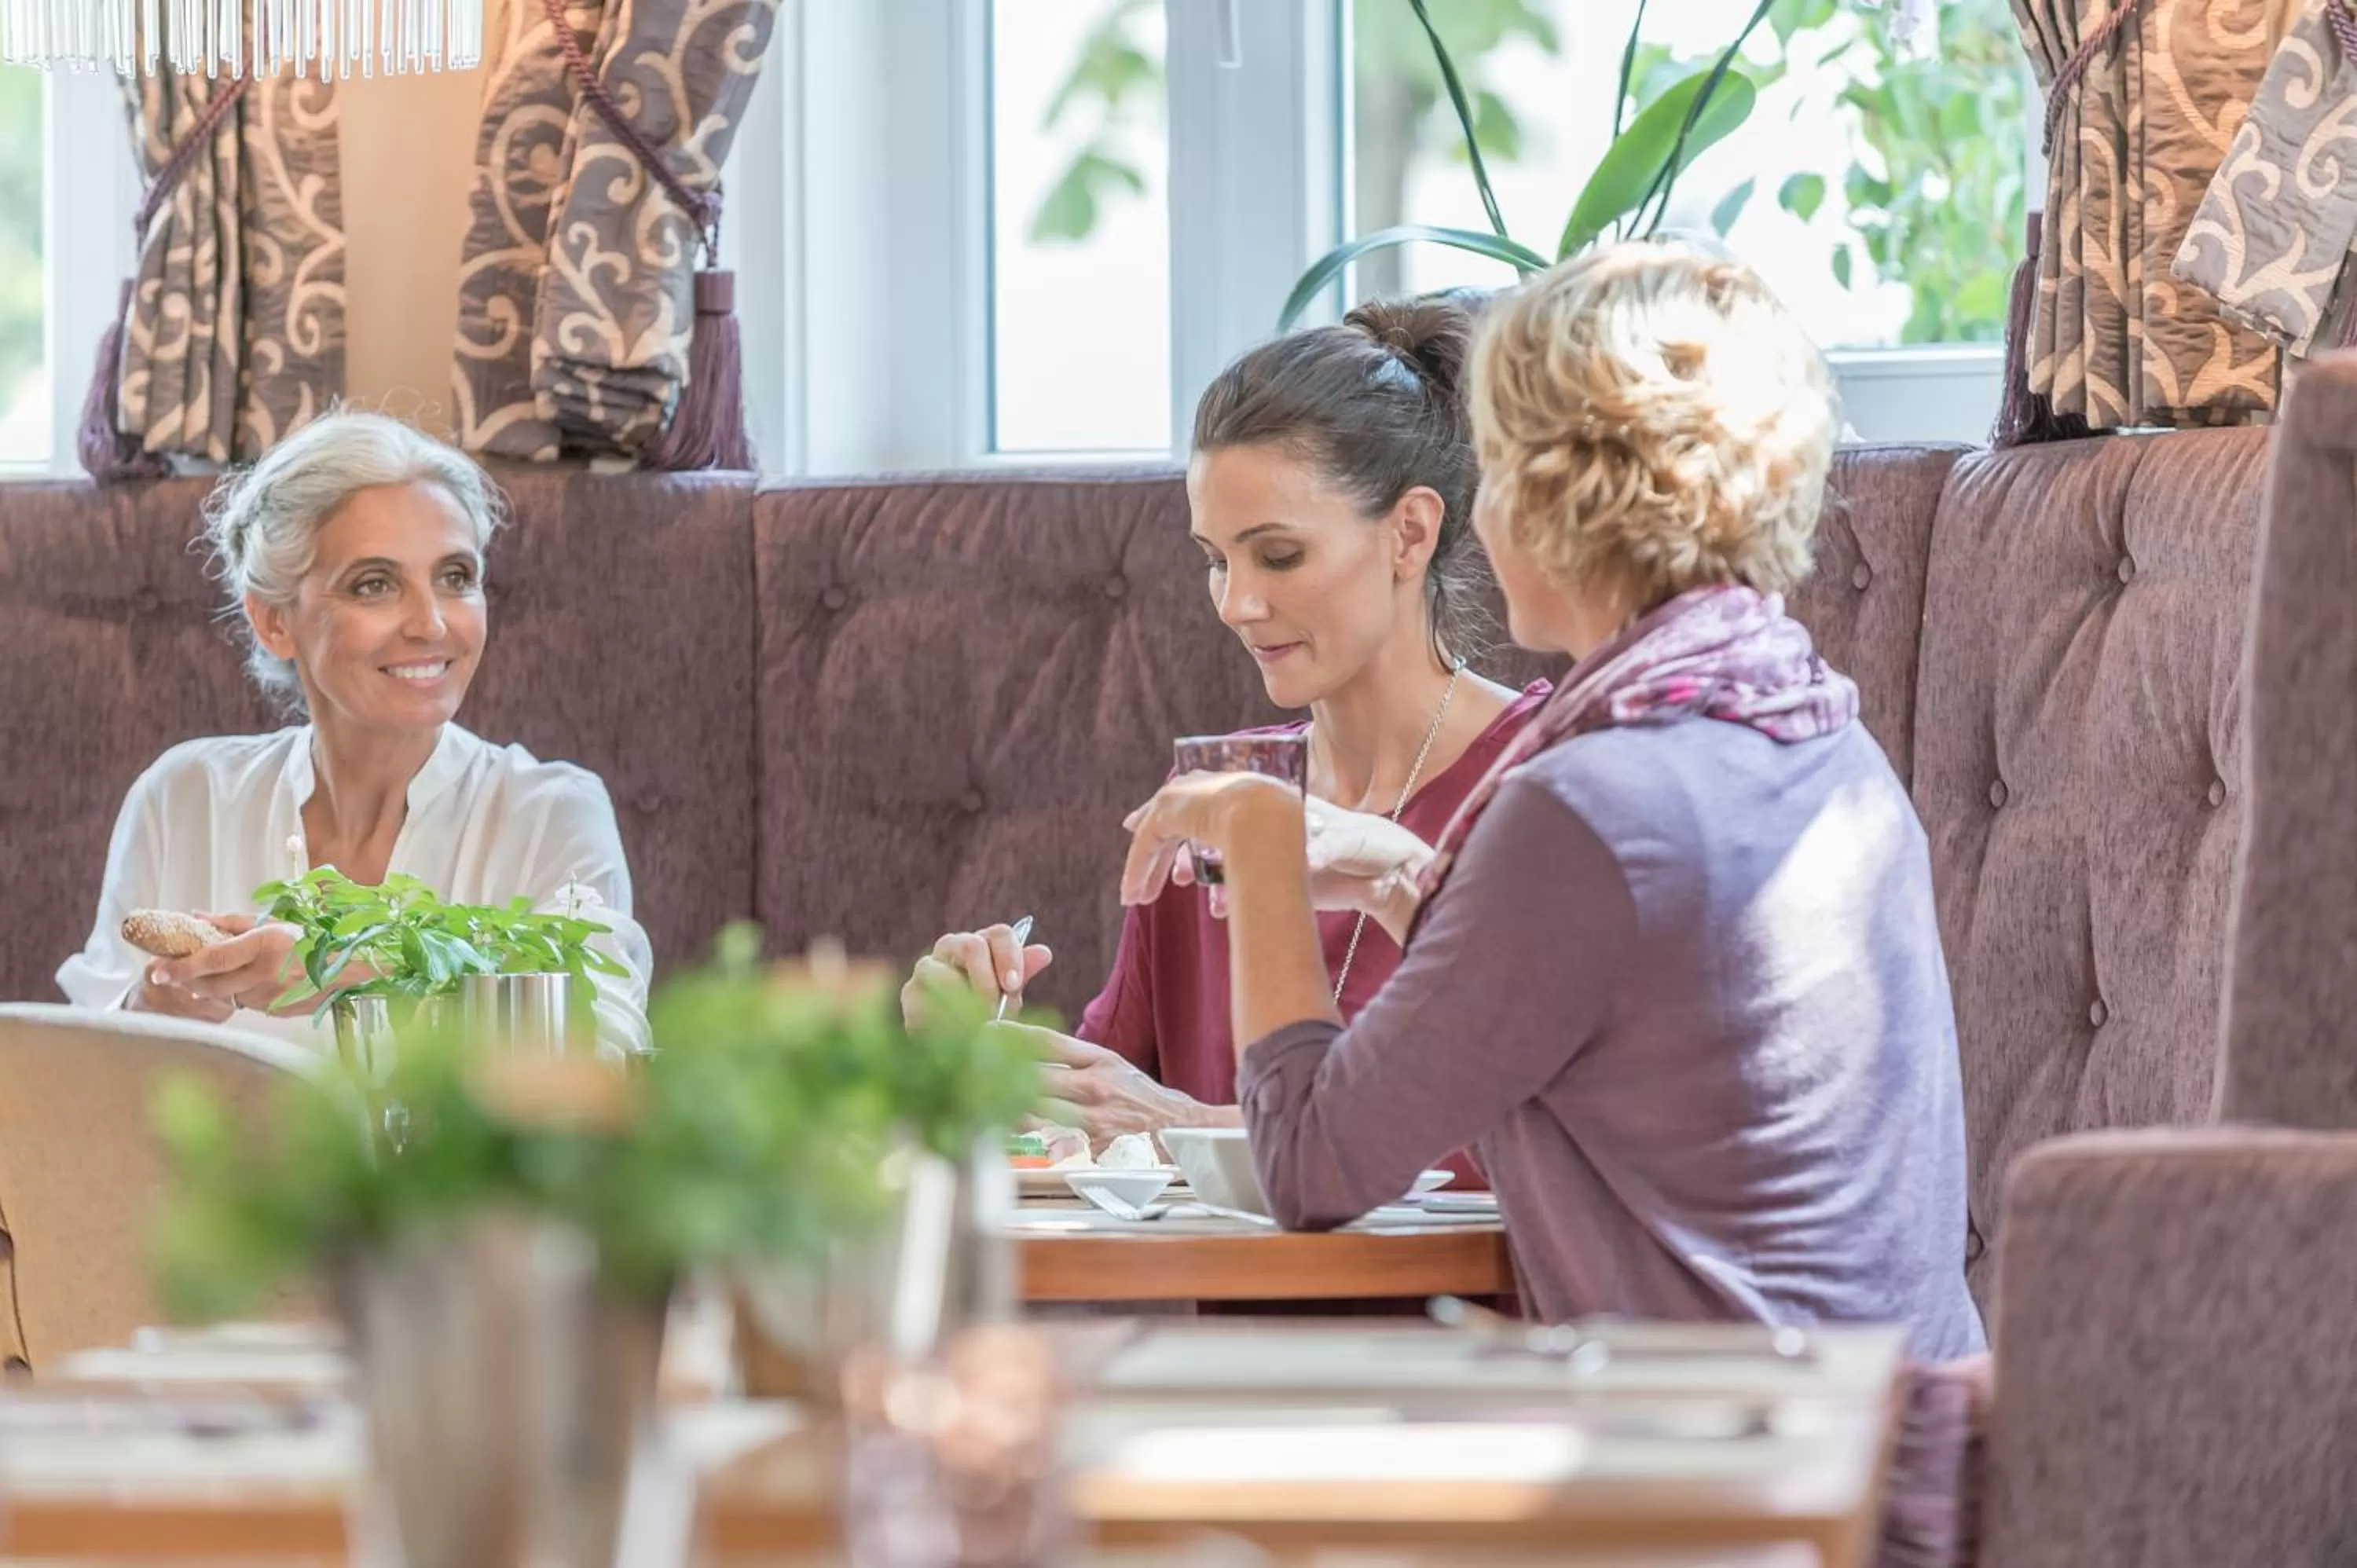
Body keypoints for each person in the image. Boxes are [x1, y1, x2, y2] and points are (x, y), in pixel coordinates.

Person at [1116, 242, 1985, 1355]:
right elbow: (1609, 1010)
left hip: (1741, 1481)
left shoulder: (1586, 803)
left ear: (1554, 495)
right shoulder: (1804, 726)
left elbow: (1308, 1167)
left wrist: (1263, 839)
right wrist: (1397, 875)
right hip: (1900, 1442)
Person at [909, 299, 1549, 1152]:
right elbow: (1104, 1122)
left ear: (1410, 533)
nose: (1238, 604)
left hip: (1453, 1292)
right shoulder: (1205, 814)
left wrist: (1190, 1126)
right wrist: (970, 1051)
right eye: (1216, 560)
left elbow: (1544, 1153)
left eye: (1278, 555)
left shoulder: (1544, 789)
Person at [57, 412, 652, 1055]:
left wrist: (358, 966)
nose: (430, 625)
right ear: (274, 621)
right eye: (375, 585)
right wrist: (150, 1008)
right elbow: (85, 1074)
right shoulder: (184, 797)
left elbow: (606, 1051)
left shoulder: (549, 815)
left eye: (456, 577)